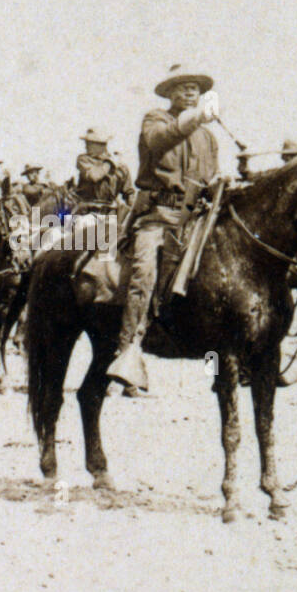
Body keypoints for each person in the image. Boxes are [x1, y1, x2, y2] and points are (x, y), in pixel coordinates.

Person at [107, 66, 220, 391]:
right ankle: (127, 356)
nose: (189, 93)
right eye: (182, 88)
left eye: (195, 89)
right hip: (159, 215)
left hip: (195, 220)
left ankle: (216, 372)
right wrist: (196, 117)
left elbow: (211, 175)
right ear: (170, 94)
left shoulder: (209, 136)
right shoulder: (155, 120)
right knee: (143, 277)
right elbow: (160, 141)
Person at [72, 129, 132, 208]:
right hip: (85, 210)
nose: (86, 146)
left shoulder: (120, 166)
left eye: (88, 143)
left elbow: (129, 192)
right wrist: (110, 163)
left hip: (109, 210)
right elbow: (94, 176)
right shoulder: (83, 159)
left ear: (100, 145)